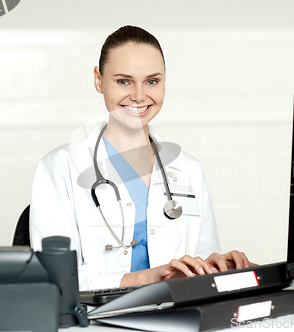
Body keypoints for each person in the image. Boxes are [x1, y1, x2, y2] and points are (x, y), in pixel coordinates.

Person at [30, 25, 253, 291]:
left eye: (152, 81)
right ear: (98, 80)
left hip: (175, 316)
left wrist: (216, 267)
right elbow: (54, 279)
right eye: (123, 81)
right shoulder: (59, 168)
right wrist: (149, 278)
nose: (138, 95)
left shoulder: (188, 169)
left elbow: (200, 263)